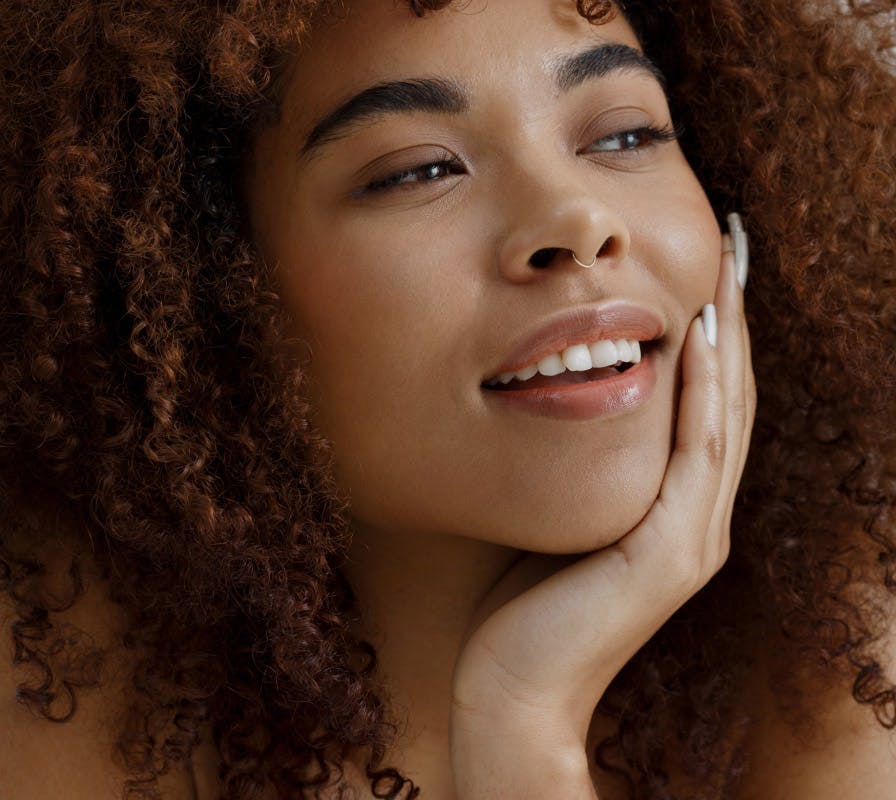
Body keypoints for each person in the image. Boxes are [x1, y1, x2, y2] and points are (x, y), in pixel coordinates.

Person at [0, 0, 893, 797]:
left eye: (623, 135)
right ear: (195, 290)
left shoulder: (842, 662)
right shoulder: (54, 670)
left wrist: (523, 727)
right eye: (419, 170)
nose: (578, 220)